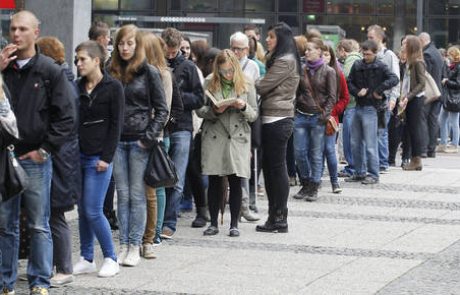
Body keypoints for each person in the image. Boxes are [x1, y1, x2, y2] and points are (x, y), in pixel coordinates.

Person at [0, 10, 76, 295]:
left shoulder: (49, 71)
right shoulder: (4, 68)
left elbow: (67, 117)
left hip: (34, 157)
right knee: (5, 225)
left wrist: (45, 150)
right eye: (12, 29)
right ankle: (6, 283)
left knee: (38, 223)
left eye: (22, 29)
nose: (16, 34)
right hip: (5, 157)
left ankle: (39, 282)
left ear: (36, 32)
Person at [110, 24, 168, 267]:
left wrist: (148, 136)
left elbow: (162, 110)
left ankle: (135, 244)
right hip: (116, 141)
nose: (125, 48)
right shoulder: (110, 69)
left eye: (130, 43)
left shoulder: (149, 71)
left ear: (138, 45)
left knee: (137, 195)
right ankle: (123, 244)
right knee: (121, 196)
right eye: (121, 43)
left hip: (138, 141)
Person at [73, 40, 124, 277]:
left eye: (82, 59)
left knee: (93, 209)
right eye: (76, 60)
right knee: (83, 209)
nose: (78, 63)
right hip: (78, 156)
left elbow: (116, 125)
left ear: (96, 60)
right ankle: (86, 257)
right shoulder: (76, 87)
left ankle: (111, 257)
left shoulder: (113, 87)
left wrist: (106, 156)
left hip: (99, 158)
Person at [197, 49, 258, 237]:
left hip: (237, 136)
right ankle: (214, 223)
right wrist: (214, 110)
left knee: (236, 178)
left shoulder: (247, 82)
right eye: (223, 72)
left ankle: (234, 224)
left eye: (230, 71)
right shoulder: (209, 81)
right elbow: (199, 110)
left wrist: (243, 106)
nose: (227, 75)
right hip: (215, 133)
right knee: (214, 179)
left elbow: (254, 114)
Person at [36, 36, 80, 287]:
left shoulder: (61, 83)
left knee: (55, 213)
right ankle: (54, 265)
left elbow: (64, 124)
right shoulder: (62, 81)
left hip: (60, 157)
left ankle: (64, 267)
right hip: (60, 155)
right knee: (50, 213)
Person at [255, 22, 300, 233]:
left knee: (277, 169)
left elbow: (263, 86)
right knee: (271, 169)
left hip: (278, 119)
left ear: (280, 39)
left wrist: (246, 81)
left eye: (271, 37)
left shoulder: (285, 61)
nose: (267, 40)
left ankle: (280, 217)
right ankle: (274, 217)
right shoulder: (282, 59)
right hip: (273, 118)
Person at [141, 32, 182, 256]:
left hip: (157, 135)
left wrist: (151, 131)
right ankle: (146, 231)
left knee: (157, 182)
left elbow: (163, 109)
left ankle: (155, 233)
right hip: (141, 134)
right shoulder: (140, 72)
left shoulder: (164, 74)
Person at [161, 27, 203, 239]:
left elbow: (199, 98)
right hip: (161, 127)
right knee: (158, 177)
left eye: (173, 51)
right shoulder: (156, 65)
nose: (170, 55)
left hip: (182, 127)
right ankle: (157, 220)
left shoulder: (188, 67)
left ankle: (169, 221)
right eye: (167, 51)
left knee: (176, 178)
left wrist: (175, 97)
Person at [346, 40, 399, 184]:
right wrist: (357, 92)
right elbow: (349, 82)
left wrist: (379, 90)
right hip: (359, 106)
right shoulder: (358, 64)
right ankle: (360, 172)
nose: (366, 56)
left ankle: (373, 174)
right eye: (364, 54)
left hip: (372, 108)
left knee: (370, 143)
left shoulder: (381, 65)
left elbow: (394, 78)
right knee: (355, 142)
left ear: (375, 53)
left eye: (368, 54)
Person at [293, 37, 337, 201]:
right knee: (299, 152)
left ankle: (314, 186)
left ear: (319, 51)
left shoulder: (329, 71)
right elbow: (296, 93)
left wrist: (324, 116)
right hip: (301, 115)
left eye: (310, 49)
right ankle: (305, 182)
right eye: (306, 50)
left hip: (318, 117)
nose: (306, 52)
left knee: (316, 154)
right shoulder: (302, 69)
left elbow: (332, 97)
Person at [88, 21, 118, 230]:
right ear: (100, 39)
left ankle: (106, 211)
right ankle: (106, 211)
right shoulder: (99, 63)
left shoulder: (108, 66)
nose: (109, 41)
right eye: (107, 37)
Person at [229, 31, 260, 222]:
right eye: (233, 48)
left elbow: (255, 95)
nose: (235, 52)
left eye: (239, 49)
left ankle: (245, 205)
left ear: (246, 50)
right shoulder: (225, 62)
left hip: (244, 120)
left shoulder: (253, 67)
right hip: (226, 121)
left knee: (243, 166)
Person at [367, 25, 400, 174]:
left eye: (371, 38)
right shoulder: (369, 55)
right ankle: (375, 162)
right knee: (372, 132)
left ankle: (382, 163)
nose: (369, 40)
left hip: (384, 99)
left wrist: (393, 99)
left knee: (381, 131)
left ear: (380, 38)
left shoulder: (389, 55)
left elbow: (395, 78)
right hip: (370, 100)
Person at [322, 44, 349, 193]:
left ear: (332, 56)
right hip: (315, 116)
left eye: (326, 55)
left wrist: (334, 111)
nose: (324, 58)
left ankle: (334, 181)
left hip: (331, 119)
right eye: (321, 55)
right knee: (315, 151)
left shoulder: (338, 73)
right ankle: (315, 179)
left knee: (329, 149)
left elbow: (345, 97)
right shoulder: (311, 73)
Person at [398, 36, 426, 171]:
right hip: (410, 99)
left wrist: (408, 97)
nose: (403, 46)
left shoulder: (418, 62)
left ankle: (416, 159)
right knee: (411, 129)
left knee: (414, 130)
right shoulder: (410, 61)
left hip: (415, 99)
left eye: (405, 44)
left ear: (411, 46)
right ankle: (415, 160)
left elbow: (422, 83)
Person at [336, 39, 361, 177]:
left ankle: (352, 167)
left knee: (348, 137)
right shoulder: (358, 58)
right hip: (354, 104)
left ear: (342, 50)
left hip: (351, 104)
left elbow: (344, 77)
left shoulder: (351, 59)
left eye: (338, 51)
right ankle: (354, 167)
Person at [419, 32, 444, 157]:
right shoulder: (437, 52)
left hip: (429, 92)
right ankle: (431, 149)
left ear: (422, 41)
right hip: (438, 91)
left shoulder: (427, 54)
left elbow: (425, 75)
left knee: (423, 120)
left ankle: (424, 149)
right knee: (433, 121)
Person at [438, 46, 460, 153]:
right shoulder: (451, 66)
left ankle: (455, 144)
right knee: (442, 119)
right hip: (448, 98)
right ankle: (443, 143)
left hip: (454, 98)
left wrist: (447, 81)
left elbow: (458, 84)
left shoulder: (458, 66)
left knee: (454, 121)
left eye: (450, 54)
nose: (448, 56)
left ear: (454, 55)